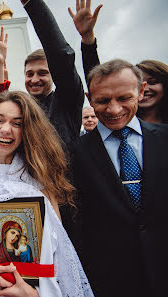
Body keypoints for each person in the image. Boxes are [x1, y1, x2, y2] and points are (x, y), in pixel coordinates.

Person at [0, 91, 93, 297]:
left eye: (17, 123)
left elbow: (55, 237)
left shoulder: (39, 172)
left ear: (28, 129)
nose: (5, 129)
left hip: (33, 286)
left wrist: (33, 293)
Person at [70, 59, 168, 297]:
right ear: (89, 98)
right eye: (103, 101)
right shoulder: (74, 153)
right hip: (109, 281)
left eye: (124, 98)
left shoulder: (164, 139)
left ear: (141, 91)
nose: (114, 110)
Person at [0, 0, 85, 147]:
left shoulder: (66, 100)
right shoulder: (21, 107)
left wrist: (32, 4)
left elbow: (61, 58)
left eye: (42, 73)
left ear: (53, 75)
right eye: (29, 74)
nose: (35, 79)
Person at [70, 0, 168, 124]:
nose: (146, 88)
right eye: (140, 84)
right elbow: (97, 80)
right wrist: (87, 38)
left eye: (153, 82)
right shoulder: (119, 120)